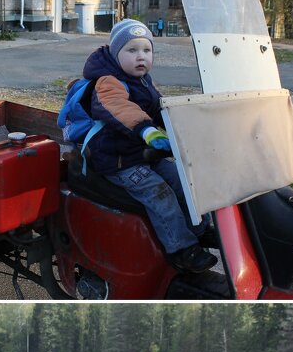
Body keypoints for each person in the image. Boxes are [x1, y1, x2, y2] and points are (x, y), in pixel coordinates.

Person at [80, 19, 217, 274]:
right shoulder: (107, 82)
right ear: (115, 53)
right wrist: (146, 129)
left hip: (142, 153)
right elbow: (120, 109)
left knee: (182, 179)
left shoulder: (144, 81)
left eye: (146, 50)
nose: (140, 56)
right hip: (118, 160)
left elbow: (159, 107)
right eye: (131, 50)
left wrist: (187, 122)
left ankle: (200, 229)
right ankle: (181, 249)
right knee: (159, 192)